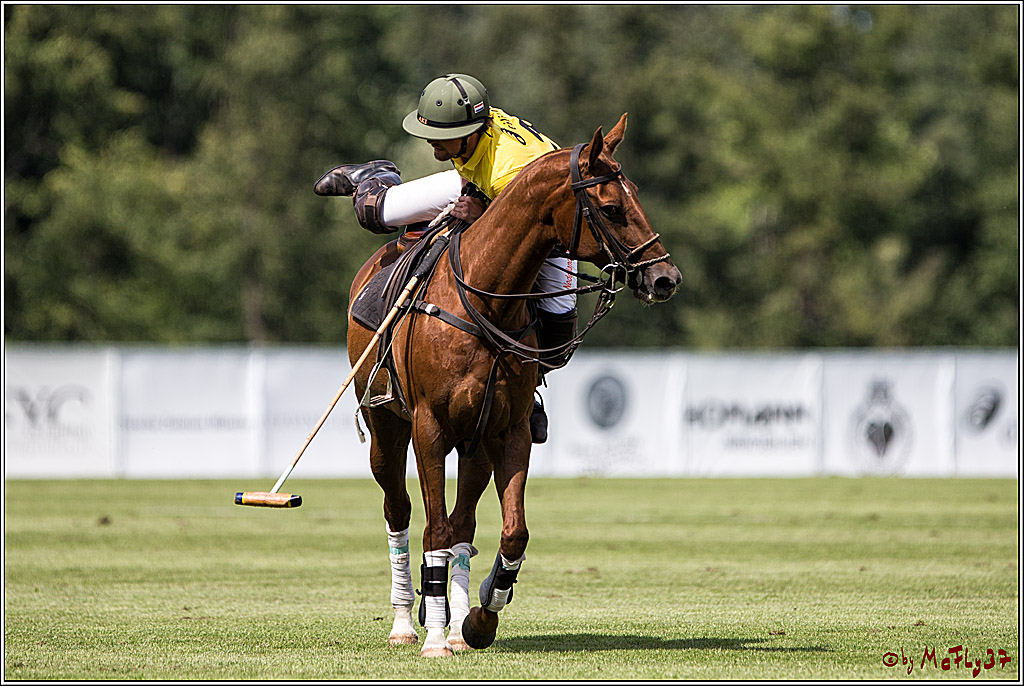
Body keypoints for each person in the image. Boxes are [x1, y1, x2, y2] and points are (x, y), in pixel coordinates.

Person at [315, 73, 577, 444]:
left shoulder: (510, 169)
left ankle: (524, 391)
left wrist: (481, 213)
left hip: (545, 225)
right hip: (485, 189)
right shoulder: (479, 132)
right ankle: (373, 176)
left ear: (472, 131)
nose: (431, 144)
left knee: (558, 341)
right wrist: (481, 204)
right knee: (377, 211)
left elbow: (516, 236)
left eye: (441, 137)